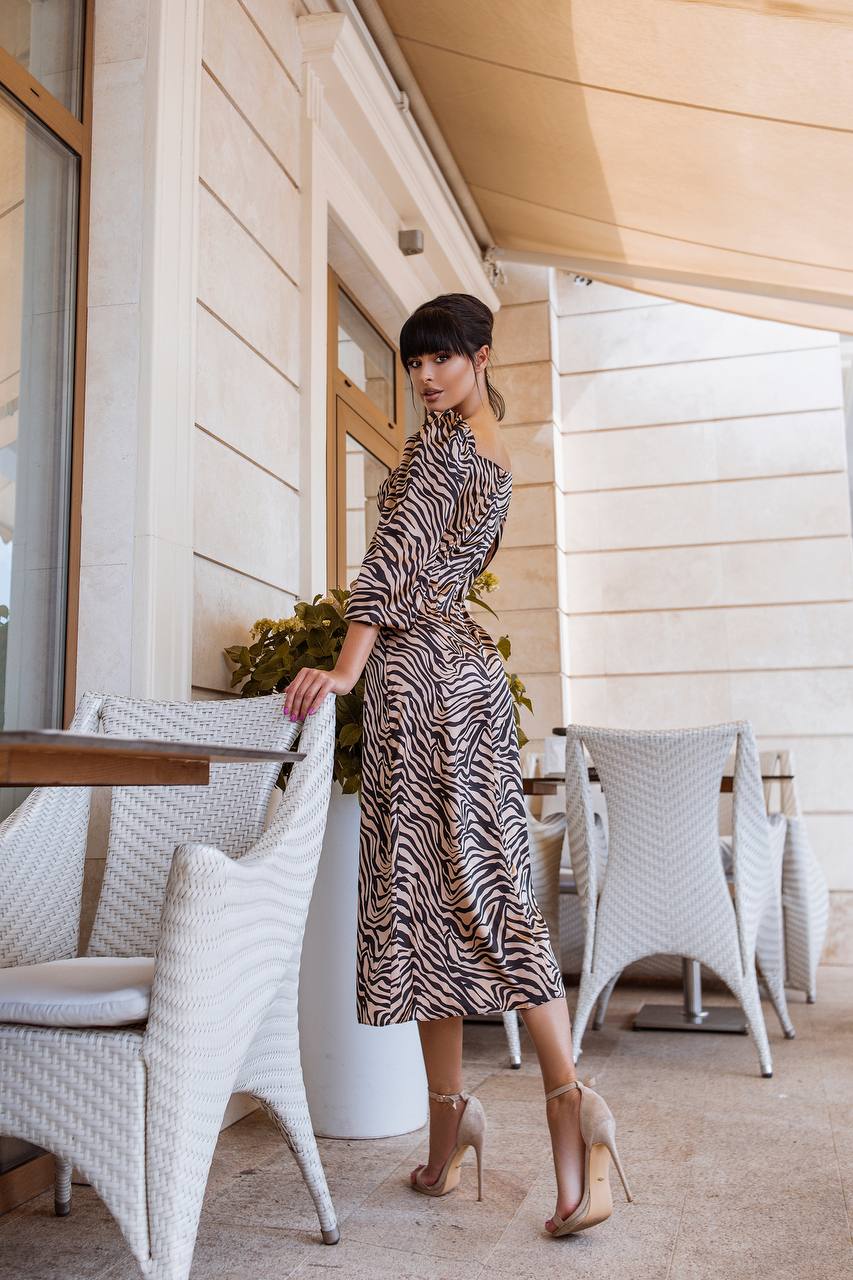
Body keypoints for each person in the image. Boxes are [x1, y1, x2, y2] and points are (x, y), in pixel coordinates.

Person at [282, 293, 631, 1237]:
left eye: (440, 359)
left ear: (480, 356)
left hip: (423, 683)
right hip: (456, 681)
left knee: (469, 897)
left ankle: (572, 1107)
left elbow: (391, 560)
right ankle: (448, 1134)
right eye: (414, 364)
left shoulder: (445, 449)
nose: (425, 377)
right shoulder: (488, 450)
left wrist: (347, 665)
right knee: (438, 903)